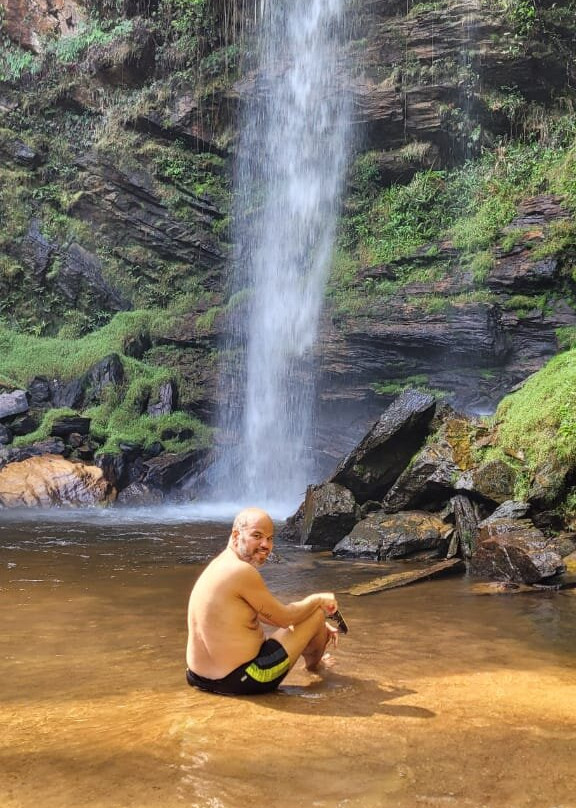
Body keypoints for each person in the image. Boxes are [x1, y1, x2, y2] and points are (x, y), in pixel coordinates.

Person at [185, 506, 339, 696]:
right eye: (257, 536)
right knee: (315, 615)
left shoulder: (219, 565)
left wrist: (309, 627)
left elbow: (270, 617)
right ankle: (315, 668)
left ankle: (316, 652)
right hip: (241, 680)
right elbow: (285, 619)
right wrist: (318, 600)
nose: (266, 544)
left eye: (270, 538)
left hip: (198, 677)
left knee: (310, 619)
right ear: (236, 535)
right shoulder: (241, 571)